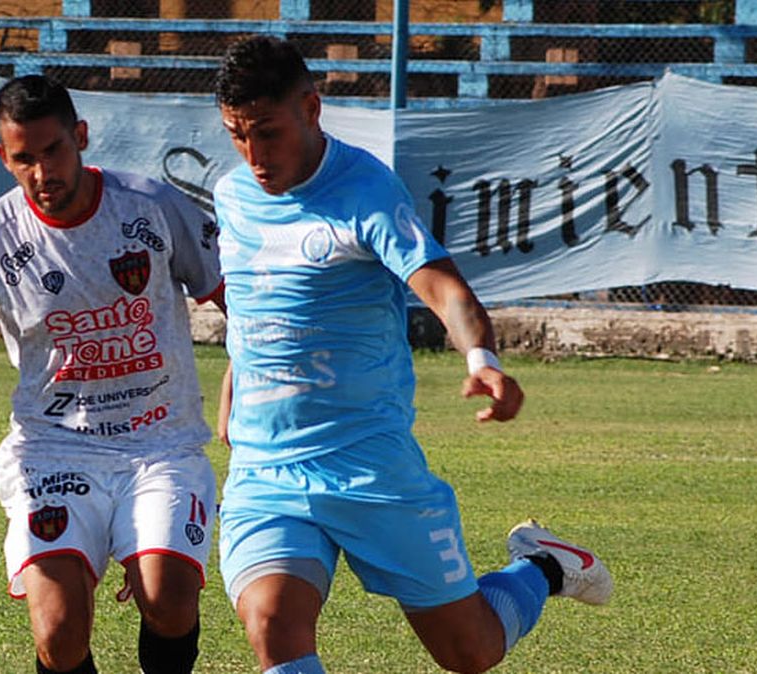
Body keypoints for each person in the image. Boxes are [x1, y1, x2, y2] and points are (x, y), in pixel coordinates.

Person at [212, 36, 613, 674]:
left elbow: (444, 287)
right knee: (272, 623)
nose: (254, 154)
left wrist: (482, 358)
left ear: (312, 109)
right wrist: (239, 376)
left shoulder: (365, 190)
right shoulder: (232, 195)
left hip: (370, 465)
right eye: (237, 134)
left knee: (469, 652)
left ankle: (542, 566)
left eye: (267, 131)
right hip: (268, 473)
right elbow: (262, 300)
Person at [0, 74, 224, 674]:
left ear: (79, 137)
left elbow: (233, 296)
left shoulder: (154, 208)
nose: (41, 171)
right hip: (53, 449)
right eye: (23, 158)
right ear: (3, 157)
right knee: (59, 635)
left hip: (160, 445)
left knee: (169, 602)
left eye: (52, 150)